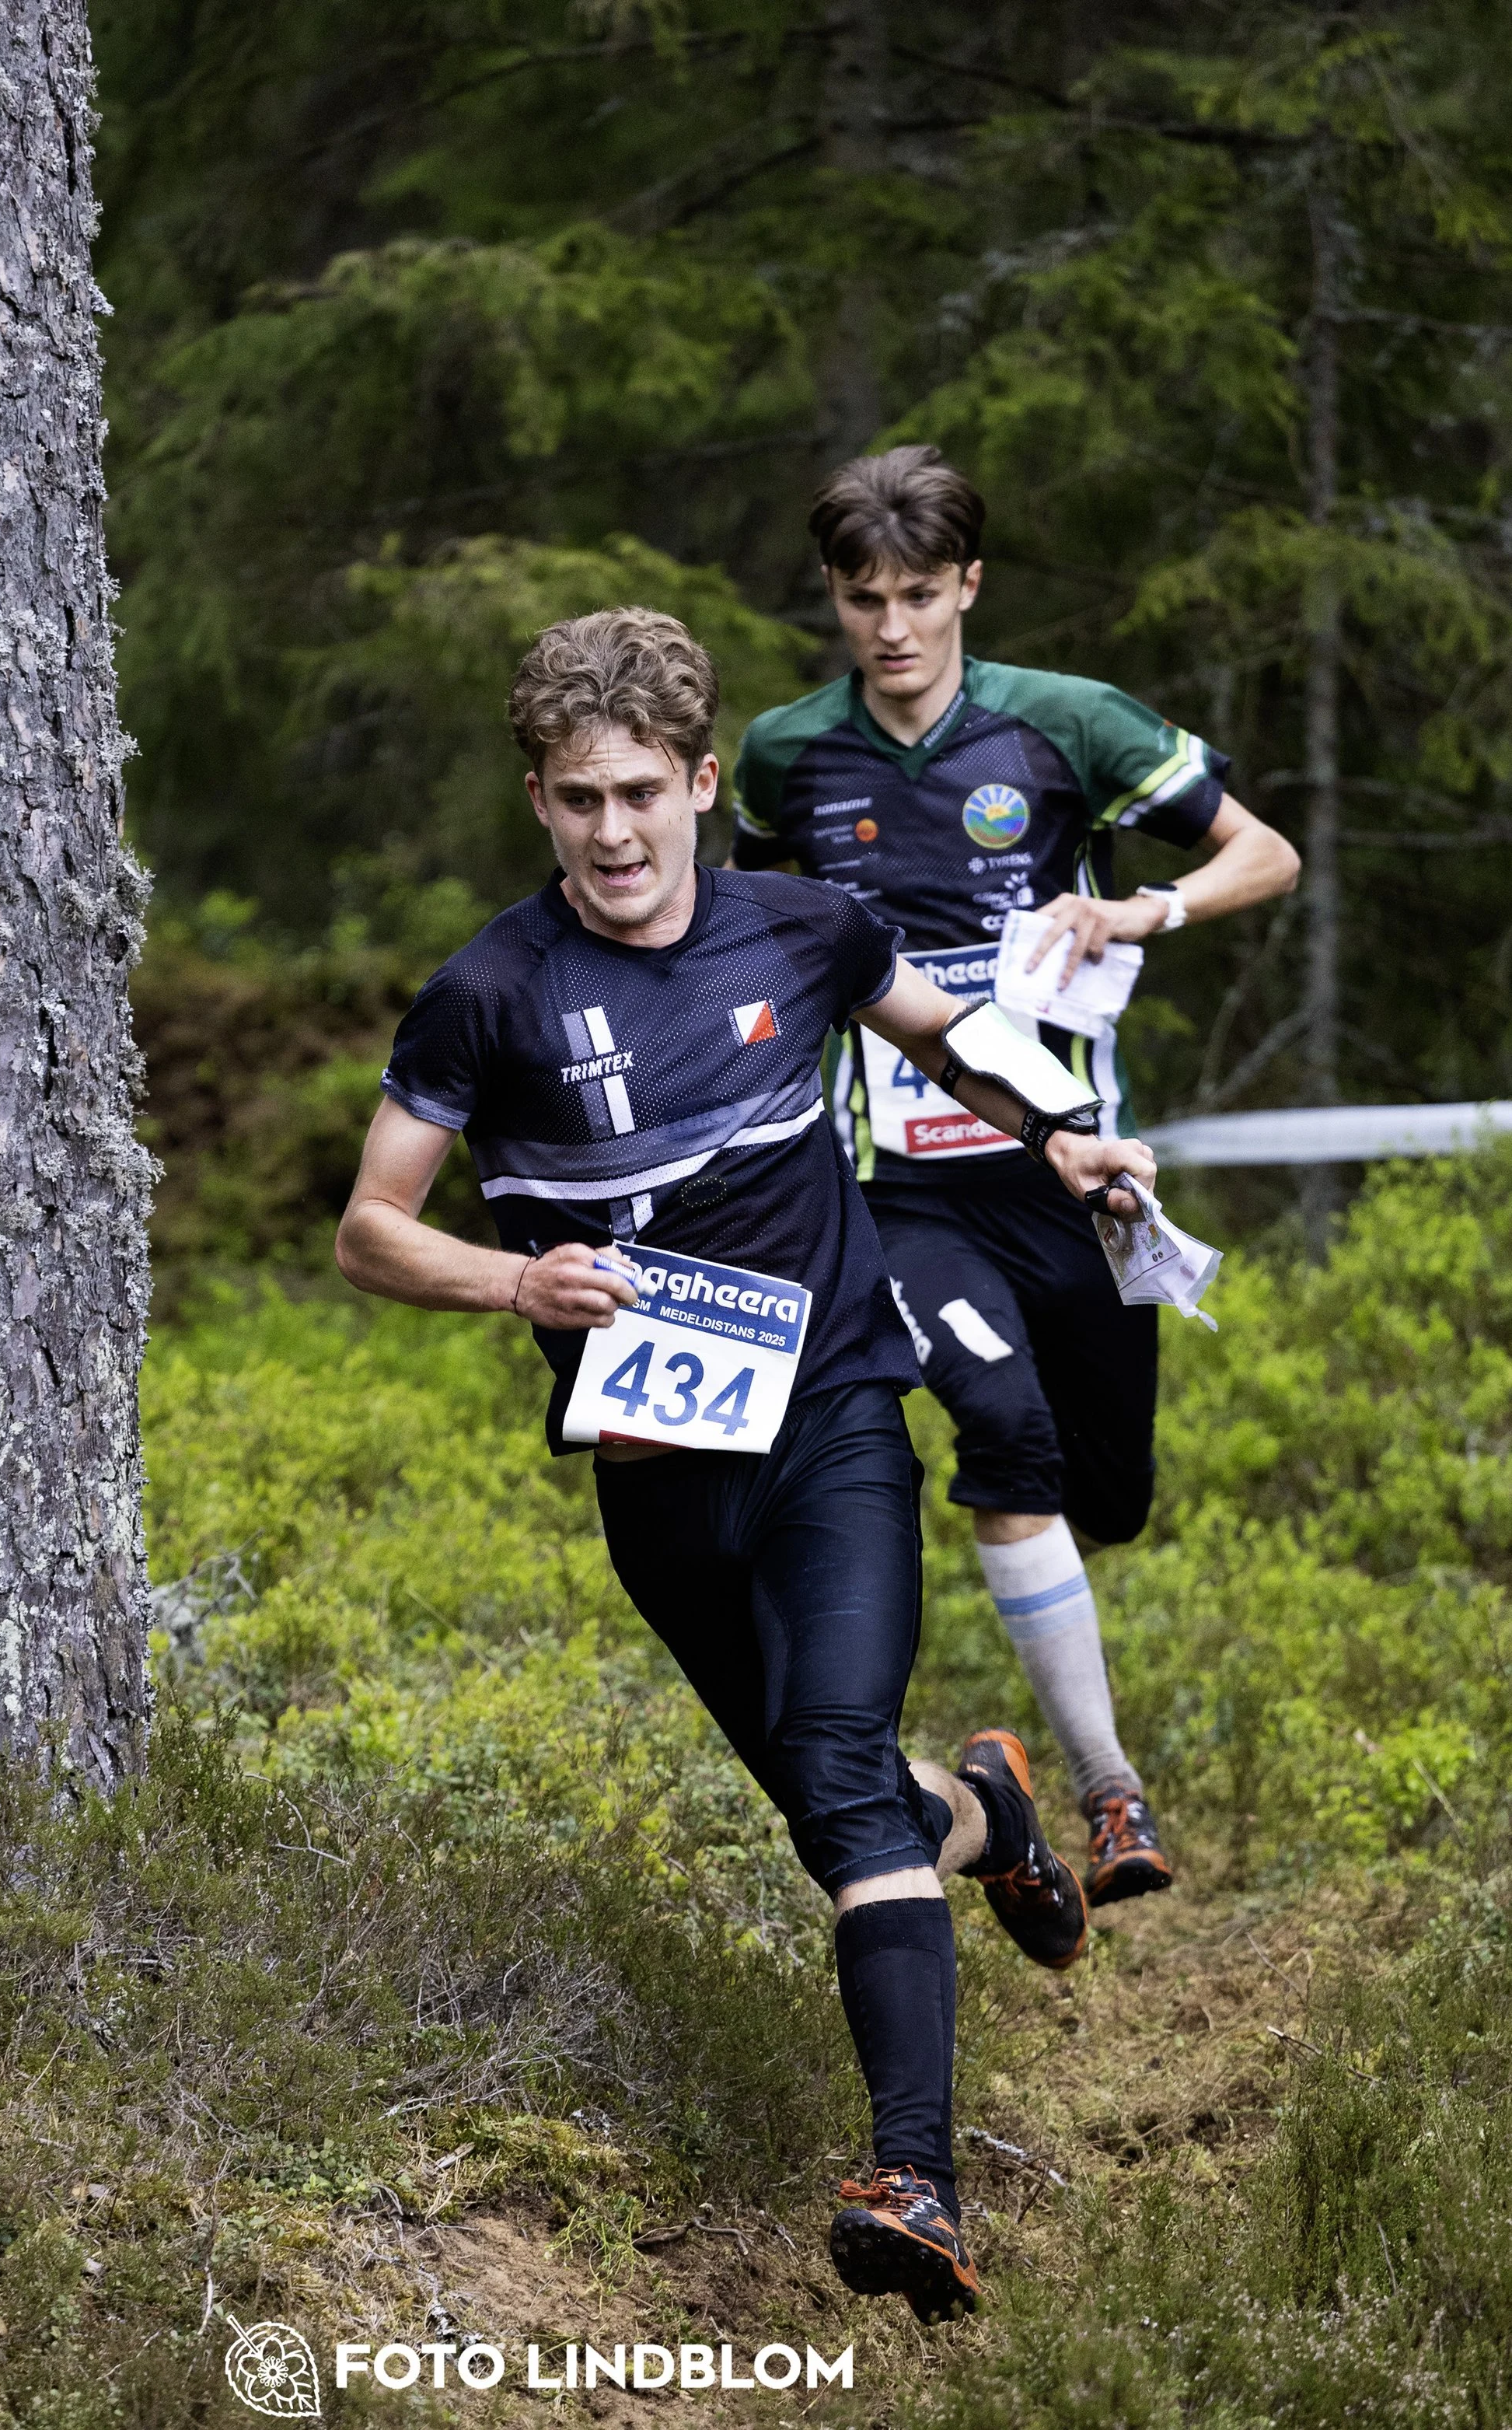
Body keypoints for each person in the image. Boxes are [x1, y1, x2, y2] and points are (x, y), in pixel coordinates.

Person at [336, 608, 1160, 2322]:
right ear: (540, 802)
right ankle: (992, 1806)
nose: (614, 832)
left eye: (642, 791)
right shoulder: (488, 993)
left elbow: (942, 1030)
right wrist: (517, 1279)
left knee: (839, 1762)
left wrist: (1060, 1128)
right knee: (831, 1810)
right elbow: (368, 1229)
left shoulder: (802, 921)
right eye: (576, 800)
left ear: (705, 783)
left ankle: (911, 2177)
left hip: (837, 1414)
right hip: (650, 1470)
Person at [730, 446, 1301, 1905]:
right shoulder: (789, 755)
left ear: (970, 586)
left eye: (922, 595)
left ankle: (1020, 1764)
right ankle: (1113, 1799)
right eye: (866, 600)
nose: (895, 629)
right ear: (834, 600)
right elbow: (736, 928)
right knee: (1002, 1441)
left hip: (1074, 1176)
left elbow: (1269, 857)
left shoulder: (1066, 726)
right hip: (902, 1193)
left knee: (1107, 1493)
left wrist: (1140, 907)